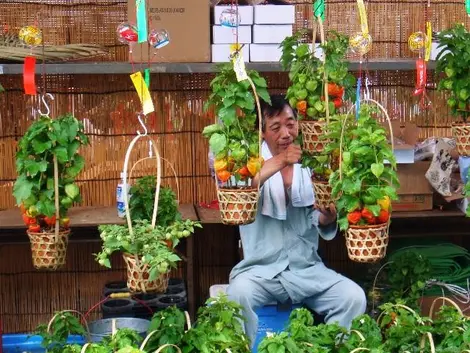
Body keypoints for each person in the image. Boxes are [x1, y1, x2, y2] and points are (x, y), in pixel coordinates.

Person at [226, 94, 367, 346]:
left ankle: (330, 349)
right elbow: (243, 185)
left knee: (353, 297)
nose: (285, 133)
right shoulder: (249, 164)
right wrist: (280, 161)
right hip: (262, 273)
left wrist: (328, 215)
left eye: (290, 124)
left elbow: (320, 219)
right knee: (237, 295)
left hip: (307, 270)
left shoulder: (311, 164)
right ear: (262, 133)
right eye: (276, 127)